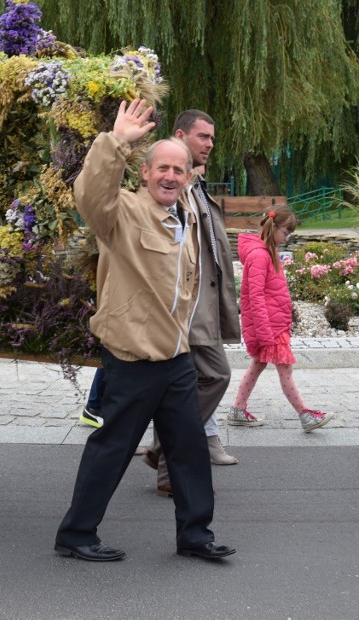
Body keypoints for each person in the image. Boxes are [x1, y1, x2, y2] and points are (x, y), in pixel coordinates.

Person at [54, 98, 235, 562]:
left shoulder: (186, 216)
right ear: (145, 173)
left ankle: (195, 535)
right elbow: (90, 196)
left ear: (189, 177)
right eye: (162, 169)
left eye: (179, 169)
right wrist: (116, 142)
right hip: (134, 358)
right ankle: (76, 534)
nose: (170, 176)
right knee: (112, 448)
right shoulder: (124, 215)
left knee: (189, 449)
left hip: (175, 357)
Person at [142, 110, 241, 498]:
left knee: (190, 384)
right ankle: (165, 455)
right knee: (215, 375)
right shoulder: (177, 186)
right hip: (185, 307)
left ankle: (163, 455)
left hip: (202, 305)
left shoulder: (195, 184)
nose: (210, 144)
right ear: (181, 135)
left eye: (212, 139)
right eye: (203, 137)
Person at [228, 205, 333, 431]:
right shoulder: (259, 255)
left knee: (258, 364)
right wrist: (265, 332)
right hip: (270, 328)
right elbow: (254, 297)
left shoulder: (268, 251)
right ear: (273, 227)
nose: (287, 238)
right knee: (285, 369)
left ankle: (238, 409)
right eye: (286, 232)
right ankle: (305, 414)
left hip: (273, 325)